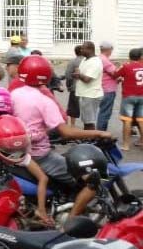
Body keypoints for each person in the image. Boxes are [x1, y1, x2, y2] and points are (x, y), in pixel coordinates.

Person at [11, 55, 110, 219]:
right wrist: (98, 132)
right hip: (40, 156)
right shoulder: (44, 100)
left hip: (17, 152)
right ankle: (70, 223)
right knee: (93, 181)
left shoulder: (14, 94)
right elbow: (66, 132)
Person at [0, 115, 52, 226]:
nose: (15, 154)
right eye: (9, 148)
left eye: (19, 149)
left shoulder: (23, 157)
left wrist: (41, 210)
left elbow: (43, 178)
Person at [116, 47, 143, 149]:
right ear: (140, 57)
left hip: (129, 96)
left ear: (129, 56)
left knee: (127, 120)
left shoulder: (126, 66)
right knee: (141, 120)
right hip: (141, 95)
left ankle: (126, 145)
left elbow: (115, 75)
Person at [74, 41, 104, 130]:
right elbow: (80, 73)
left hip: (91, 95)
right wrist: (77, 74)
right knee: (86, 121)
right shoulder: (85, 59)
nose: (81, 50)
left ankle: (91, 137)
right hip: (85, 94)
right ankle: (87, 136)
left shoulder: (95, 62)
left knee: (89, 122)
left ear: (90, 49)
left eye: (83, 48)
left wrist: (78, 75)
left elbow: (87, 79)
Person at [98, 41, 119, 131]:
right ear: (109, 50)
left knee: (102, 111)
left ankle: (100, 132)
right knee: (105, 112)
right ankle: (101, 133)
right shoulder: (105, 60)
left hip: (102, 87)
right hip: (108, 89)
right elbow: (115, 73)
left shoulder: (98, 58)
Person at [64, 45, 84, 126]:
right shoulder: (89, 61)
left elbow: (68, 75)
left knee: (73, 107)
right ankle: (87, 125)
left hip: (75, 87)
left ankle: (72, 125)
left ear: (75, 52)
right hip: (88, 87)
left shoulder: (73, 62)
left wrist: (68, 86)